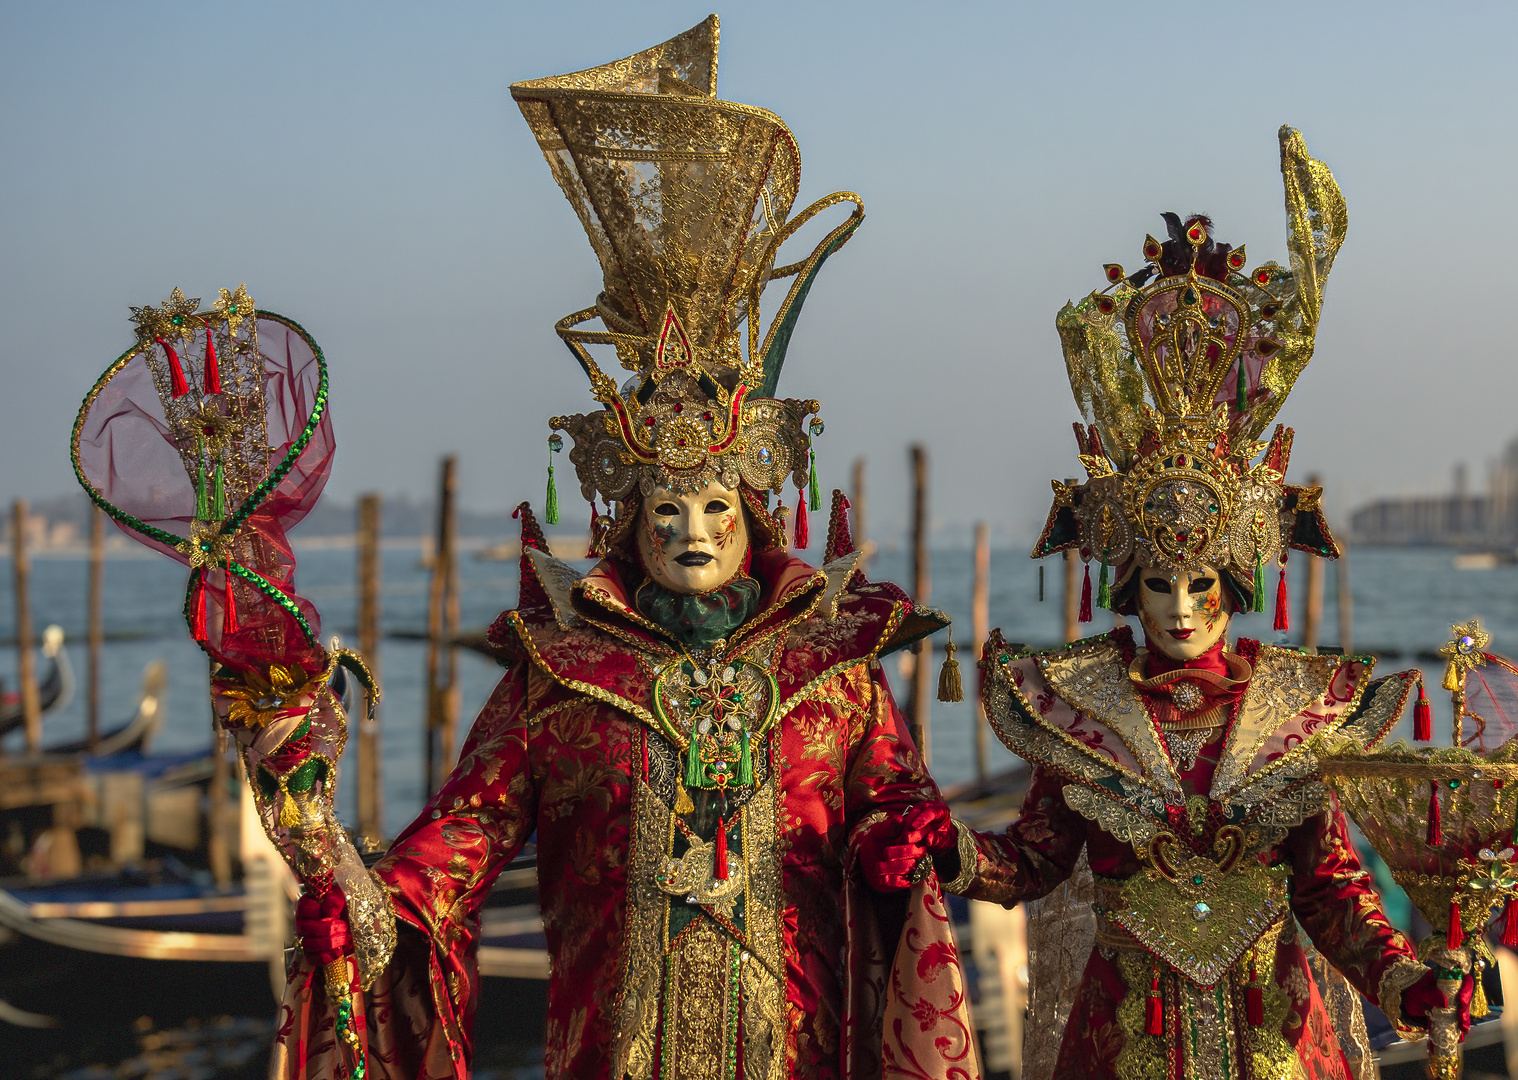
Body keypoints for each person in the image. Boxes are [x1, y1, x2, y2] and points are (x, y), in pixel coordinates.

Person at [222, 18, 978, 1080]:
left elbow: (888, 795)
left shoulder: (833, 665)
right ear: (624, 519)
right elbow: (469, 833)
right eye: (663, 513)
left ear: (756, 512)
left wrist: (906, 837)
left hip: (800, 1047)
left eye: (715, 508)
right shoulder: (559, 674)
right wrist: (371, 896)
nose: (691, 535)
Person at [875, 130, 1473, 1080]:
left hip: (1278, 1038)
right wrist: (943, 849)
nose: (1183, 609)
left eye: (1202, 586)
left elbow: (1329, 885)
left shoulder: (1298, 708)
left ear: (1238, 586)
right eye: (1160, 584)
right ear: (1126, 585)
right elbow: (1030, 861)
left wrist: (1404, 978)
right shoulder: (1078, 703)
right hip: (1123, 1043)